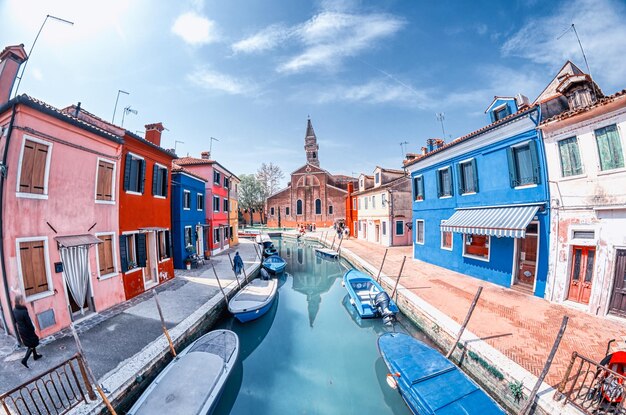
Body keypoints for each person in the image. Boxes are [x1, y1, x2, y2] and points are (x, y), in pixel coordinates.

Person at [13, 294, 41, 368]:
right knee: (31, 345)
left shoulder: (14, 310)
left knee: (31, 343)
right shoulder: (24, 311)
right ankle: (24, 360)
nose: (24, 301)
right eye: (23, 300)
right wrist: (33, 330)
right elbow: (29, 323)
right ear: (20, 301)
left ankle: (35, 356)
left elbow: (15, 321)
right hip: (27, 331)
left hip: (21, 330)